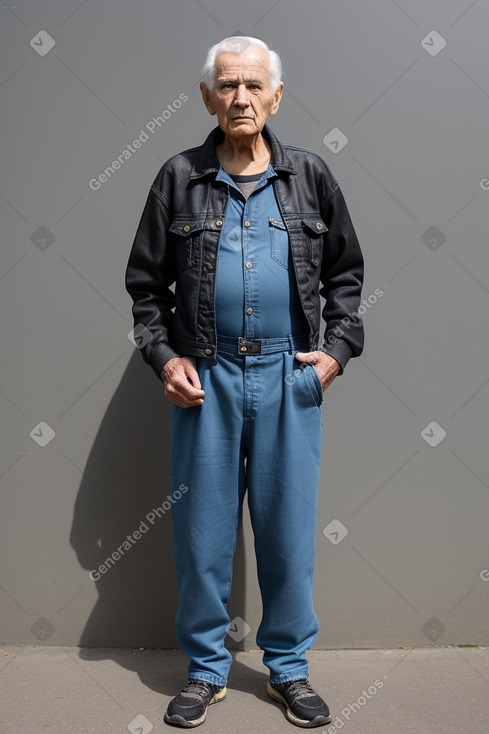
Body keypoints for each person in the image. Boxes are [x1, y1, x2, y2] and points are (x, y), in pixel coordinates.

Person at [125, 35, 364, 729]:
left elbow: (346, 276)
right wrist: (164, 356)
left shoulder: (309, 177)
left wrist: (335, 352)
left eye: (253, 85)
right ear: (207, 96)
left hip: (288, 376)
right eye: (226, 85)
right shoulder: (178, 177)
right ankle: (205, 669)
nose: (240, 98)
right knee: (202, 537)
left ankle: (288, 668)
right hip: (209, 375)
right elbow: (145, 285)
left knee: (287, 535)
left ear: (275, 96)